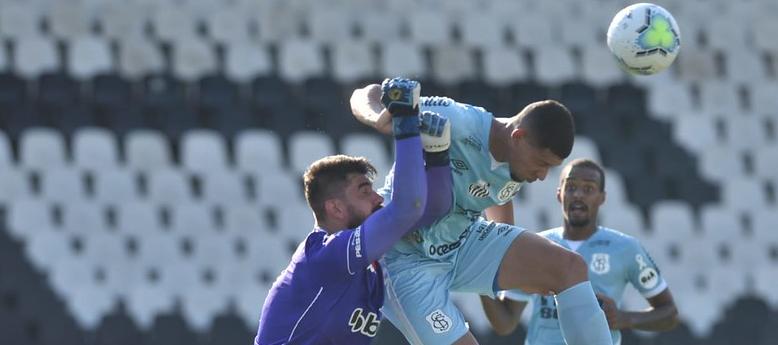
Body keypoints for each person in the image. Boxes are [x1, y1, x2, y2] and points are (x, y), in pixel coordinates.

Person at [351, 81, 613, 345]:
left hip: (461, 242)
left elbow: (496, 196)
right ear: (518, 137)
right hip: (405, 257)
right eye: (542, 164)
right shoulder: (457, 120)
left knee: (568, 268)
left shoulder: (518, 159)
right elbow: (364, 94)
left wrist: (509, 274)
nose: (543, 176)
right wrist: (382, 117)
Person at [256, 78, 453, 344]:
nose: (376, 197)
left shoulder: (367, 267)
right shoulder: (328, 254)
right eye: (363, 190)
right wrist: (405, 122)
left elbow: (432, 211)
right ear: (335, 207)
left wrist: (438, 156)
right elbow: (407, 208)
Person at [481, 158, 679, 345]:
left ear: (602, 198)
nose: (578, 194)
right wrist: (481, 277)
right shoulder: (536, 245)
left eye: (588, 189)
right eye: (571, 187)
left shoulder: (626, 248)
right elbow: (505, 324)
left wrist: (624, 318)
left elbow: (669, 313)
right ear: (559, 194)